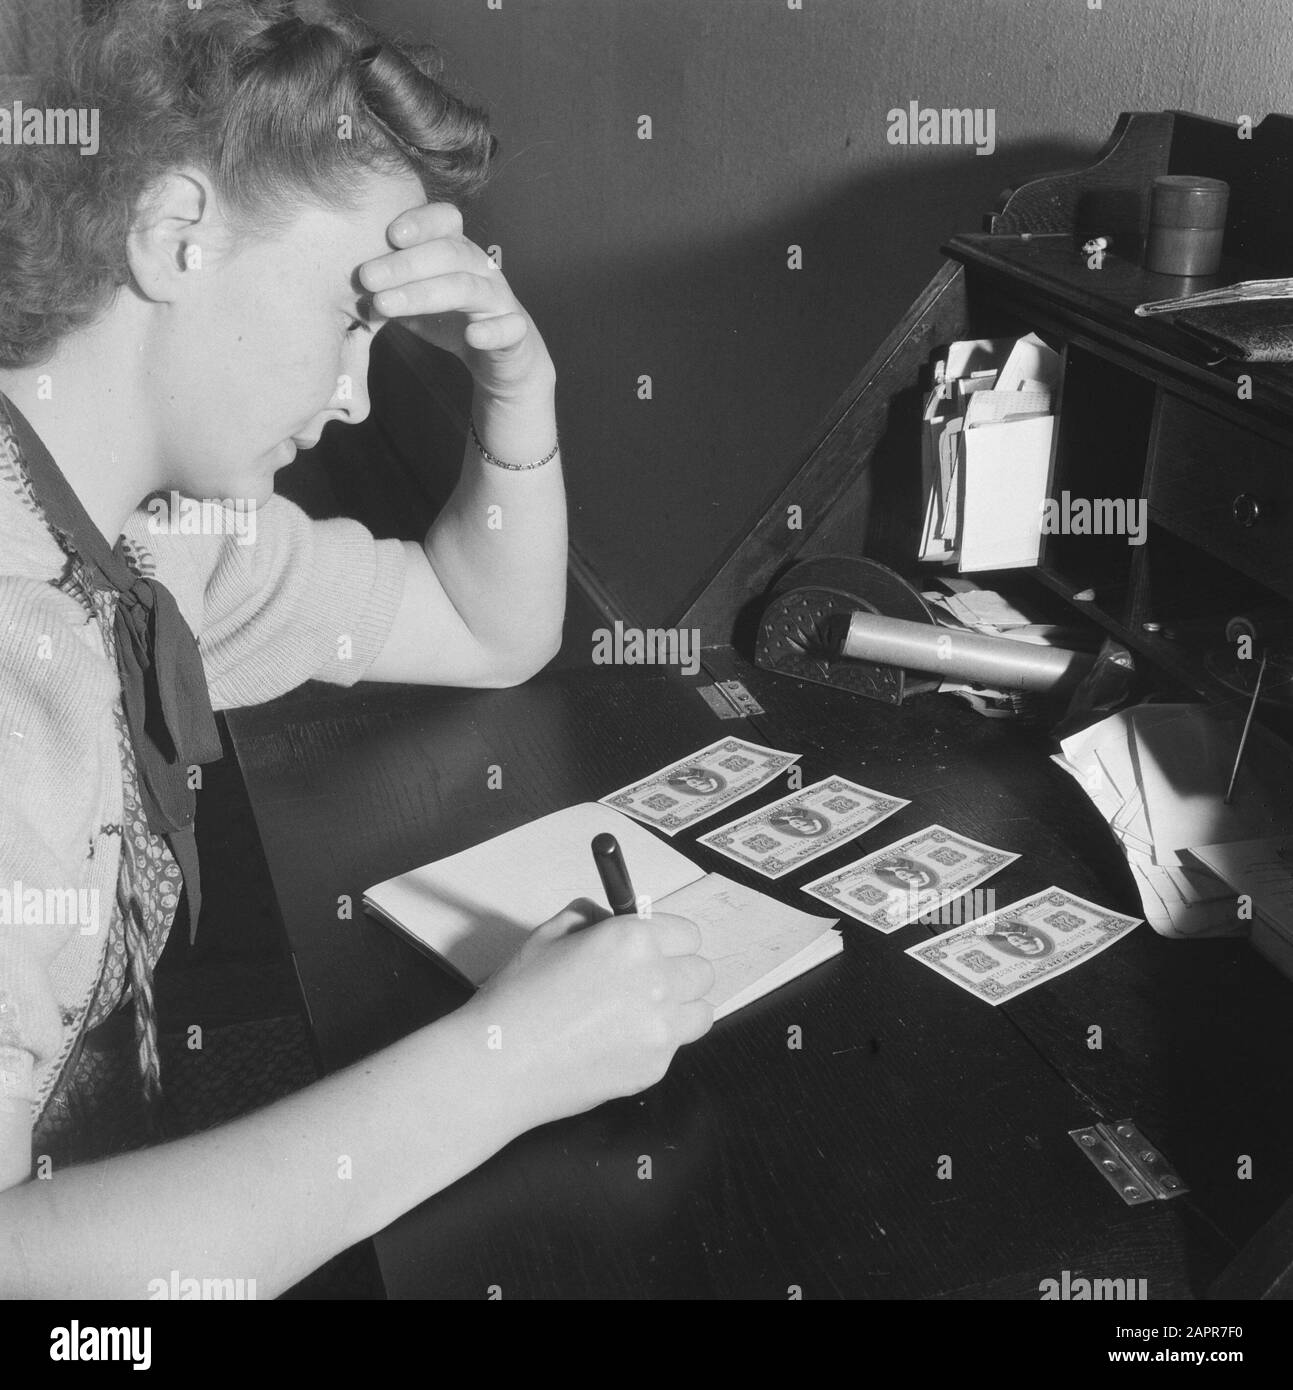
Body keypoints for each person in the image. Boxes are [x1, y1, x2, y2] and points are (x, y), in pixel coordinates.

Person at [0, 0, 713, 1298]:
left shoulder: (154, 536)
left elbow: (485, 623)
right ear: (173, 237)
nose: (357, 395)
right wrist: (507, 1061)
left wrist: (518, 389)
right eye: (348, 315)